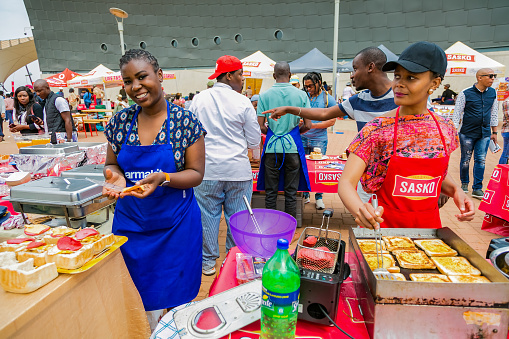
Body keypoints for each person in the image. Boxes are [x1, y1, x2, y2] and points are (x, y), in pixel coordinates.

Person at [102, 49, 206, 327]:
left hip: (176, 229)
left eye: (141, 77)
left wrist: (164, 177)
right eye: (127, 81)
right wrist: (116, 178)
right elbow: (111, 165)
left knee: (176, 304)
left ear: (159, 76)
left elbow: (196, 173)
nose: (135, 87)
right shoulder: (119, 123)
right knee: (135, 300)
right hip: (131, 229)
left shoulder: (186, 121)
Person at [335, 41, 474, 229]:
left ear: (434, 83)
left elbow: (434, 176)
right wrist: (360, 210)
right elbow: (345, 182)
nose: (399, 84)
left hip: (429, 236)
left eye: (411, 78)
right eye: (397, 76)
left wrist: (456, 190)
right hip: (382, 234)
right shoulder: (377, 130)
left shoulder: (445, 128)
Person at [188, 55, 261, 276]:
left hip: (207, 170)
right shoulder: (242, 101)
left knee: (207, 215)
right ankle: (234, 259)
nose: (242, 80)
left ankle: (208, 262)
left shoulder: (199, 99)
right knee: (237, 217)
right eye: (240, 75)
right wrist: (253, 153)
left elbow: (191, 134)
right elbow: (254, 139)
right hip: (238, 171)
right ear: (229, 75)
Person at [256, 62, 311, 218]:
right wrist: (293, 133)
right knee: (291, 192)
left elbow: (260, 126)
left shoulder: (264, 95)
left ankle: (272, 225)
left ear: (274, 76)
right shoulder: (301, 95)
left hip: (272, 148)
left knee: (271, 192)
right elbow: (308, 124)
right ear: (290, 75)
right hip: (292, 148)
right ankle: (290, 228)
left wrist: (273, 132)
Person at [453, 68, 499, 199]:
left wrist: (494, 132)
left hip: (484, 133)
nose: (492, 79)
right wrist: (454, 131)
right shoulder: (465, 93)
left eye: (493, 76)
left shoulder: (493, 93)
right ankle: (464, 183)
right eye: (490, 76)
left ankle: (477, 188)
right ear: (480, 77)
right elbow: (457, 114)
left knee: (481, 160)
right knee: (466, 159)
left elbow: (494, 113)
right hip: (467, 132)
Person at [300, 72, 337, 209]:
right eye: (306, 87)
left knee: (319, 168)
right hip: (303, 138)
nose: (308, 89)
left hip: (319, 140)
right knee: (303, 167)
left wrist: (312, 125)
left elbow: (332, 121)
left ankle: (319, 197)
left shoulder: (328, 99)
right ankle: (305, 195)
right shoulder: (304, 96)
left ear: (319, 83)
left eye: (310, 86)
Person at [500, 96, 509, 165]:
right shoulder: (507, 102)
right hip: (507, 131)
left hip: (506, 131)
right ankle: (501, 171)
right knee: (506, 153)